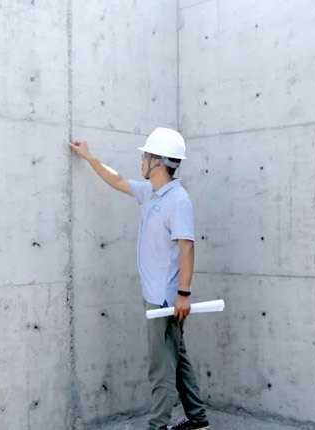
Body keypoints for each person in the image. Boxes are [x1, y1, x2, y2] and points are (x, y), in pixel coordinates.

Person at [69, 127, 210, 430]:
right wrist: (89, 157)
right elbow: (118, 180)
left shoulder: (178, 200)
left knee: (161, 368)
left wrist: (183, 294)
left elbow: (187, 247)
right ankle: (198, 419)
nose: (142, 160)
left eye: (145, 156)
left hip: (166, 299)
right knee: (177, 357)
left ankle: (157, 426)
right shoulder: (151, 192)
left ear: (158, 162)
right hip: (157, 295)